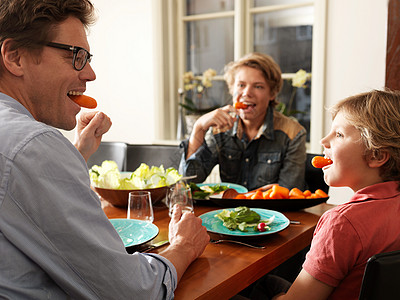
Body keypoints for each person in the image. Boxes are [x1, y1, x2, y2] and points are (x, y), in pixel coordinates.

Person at [0, 1, 209, 299]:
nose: (90, 74)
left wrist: (76, 153)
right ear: (14, 57)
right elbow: (130, 291)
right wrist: (183, 247)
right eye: (76, 56)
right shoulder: (31, 143)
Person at [247, 89, 400, 300]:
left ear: (376, 155)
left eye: (338, 134)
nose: (323, 141)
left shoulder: (342, 224)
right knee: (267, 283)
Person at [179, 52, 307, 191]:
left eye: (258, 86)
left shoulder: (294, 134)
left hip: (272, 212)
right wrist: (199, 128)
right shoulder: (219, 129)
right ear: (231, 89)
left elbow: (288, 195)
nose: (247, 93)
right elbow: (187, 181)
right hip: (230, 212)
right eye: (241, 85)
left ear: (272, 93)